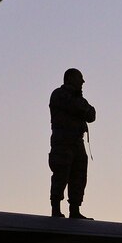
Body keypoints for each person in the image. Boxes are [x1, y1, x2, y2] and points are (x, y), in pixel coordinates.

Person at [49, 68, 96, 219]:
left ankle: (74, 210)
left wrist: (82, 107)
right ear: (70, 79)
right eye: (80, 78)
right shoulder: (59, 94)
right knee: (61, 174)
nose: (83, 82)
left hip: (77, 142)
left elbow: (91, 115)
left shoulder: (78, 97)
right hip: (62, 141)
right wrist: (81, 107)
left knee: (79, 175)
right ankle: (56, 209)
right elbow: (77, 107)